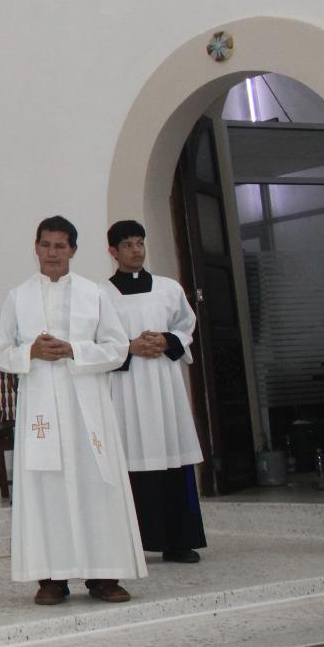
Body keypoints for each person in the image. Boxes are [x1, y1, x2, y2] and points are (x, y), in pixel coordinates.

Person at [0, 216, 146, 606]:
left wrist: (75, 349)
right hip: (41, 408)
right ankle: (52, 579)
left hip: (86, 407)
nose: (53, 252)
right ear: (36, 247)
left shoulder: (96, 295)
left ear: (74, 249)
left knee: (95, 484)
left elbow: (117, 347)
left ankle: (104, 575)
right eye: (46, 245)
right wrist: (30, 352)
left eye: (61, 246)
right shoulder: (18, 296)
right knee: (48, 488)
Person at [106, 220, 207, 564]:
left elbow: (186, 326)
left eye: (140, 243)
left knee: (171, 454)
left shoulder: (168, 288)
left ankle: (179, 540)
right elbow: (95, 341)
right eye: (128, 245)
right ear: (113, 252)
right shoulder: (101, 296)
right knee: (131, 458)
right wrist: (128, 347)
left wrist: (167, 340)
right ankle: (133, 543)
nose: (136, 250)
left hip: (164, 386)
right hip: (127, 388)